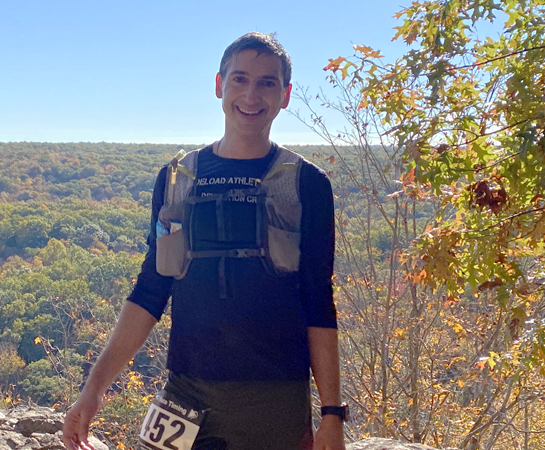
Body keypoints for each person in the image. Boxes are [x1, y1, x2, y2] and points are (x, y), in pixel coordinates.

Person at [63, 32, 344, 450]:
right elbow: (151, 290)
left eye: (267, 82)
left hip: (274, 401)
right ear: (219, 85)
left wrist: (332, 415)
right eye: (240, 79)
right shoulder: (177, 178)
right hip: (184, 394)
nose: (251, 94)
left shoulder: (307, 183)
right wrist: (94, 388)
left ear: (285, 95)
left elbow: (318, 302)